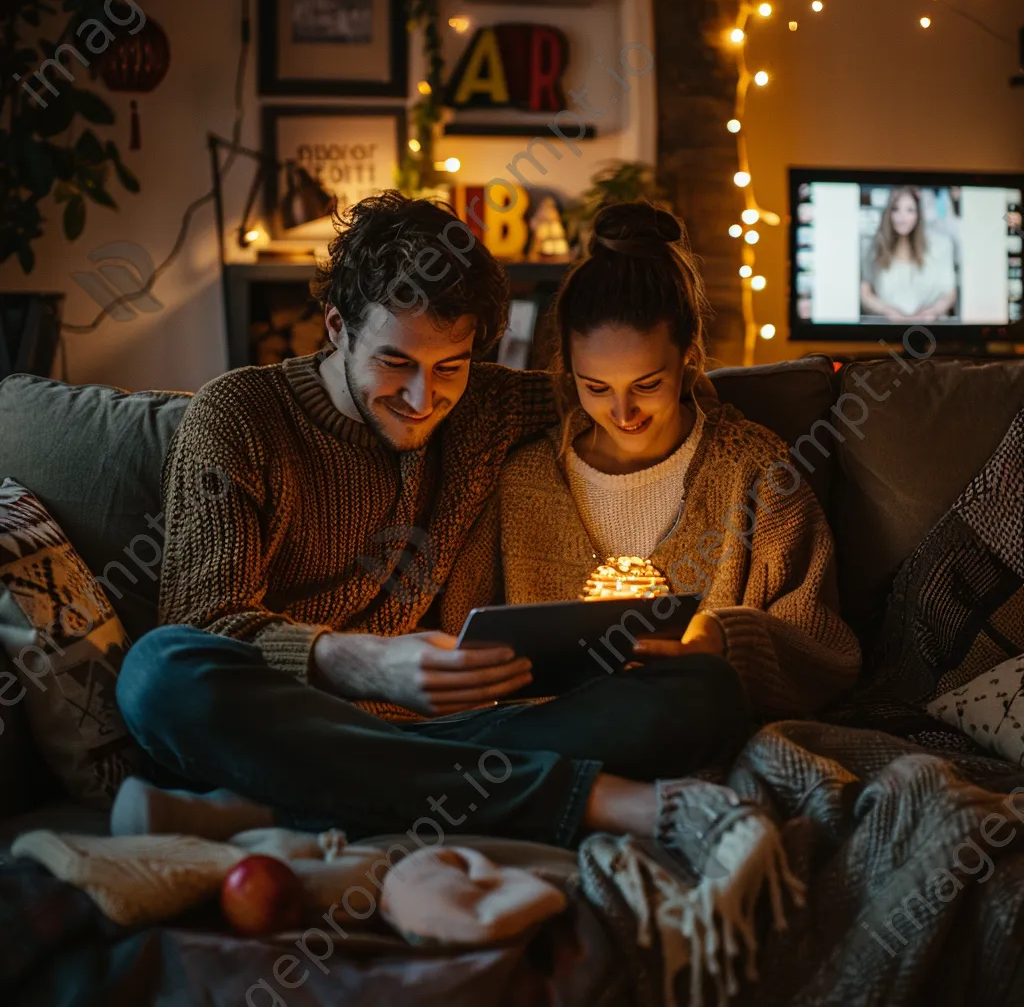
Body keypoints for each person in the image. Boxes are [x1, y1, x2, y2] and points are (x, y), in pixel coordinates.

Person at [114, 192, 751, 848]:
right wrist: (362, 664)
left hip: (443, 739)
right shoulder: (238, 417)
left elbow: (629, 384)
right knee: (157, 674)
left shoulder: (484, 406)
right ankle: (589, 800)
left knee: (703, 693)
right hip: (280, 731)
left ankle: (265, 814)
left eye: (449, 366)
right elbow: (201, 624)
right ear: (337, 326)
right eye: (396, 363)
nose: (424, 399)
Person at [443, 201, 862, 718]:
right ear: (567, 367)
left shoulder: (755, 474)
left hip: (698, 728)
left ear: (688, 353)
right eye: (594, 386)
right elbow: (461, 642)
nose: (622, 412)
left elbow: (824, 649)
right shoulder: (524, 481)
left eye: (647, 384)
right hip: (550, 737)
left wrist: (724, 643)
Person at [860, 187, 957, 322]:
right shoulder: (873, 248)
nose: (902, 218)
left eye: (909, 210)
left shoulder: (940, 247)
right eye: (895, 209)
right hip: (887, 332)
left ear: (918, 214)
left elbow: (950, 292)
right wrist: (888, 311)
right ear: (888, 213)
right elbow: (865, 293)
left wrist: (933, 312)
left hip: (930, 330)